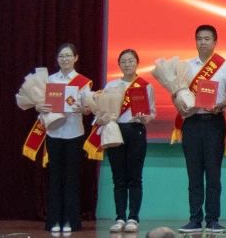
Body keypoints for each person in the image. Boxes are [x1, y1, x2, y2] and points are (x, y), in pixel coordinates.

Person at [176, 24, 226, 234]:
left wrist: (221, 105)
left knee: (213, 174)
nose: (203, 42)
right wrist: (182, 106)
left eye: (207, 39)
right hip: (192, 123)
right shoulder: (186, 66)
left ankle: (213, 220)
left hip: (214, 123)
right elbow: (177, 94)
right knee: (194, 174)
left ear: (215, 42)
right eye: (199, 39)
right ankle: (194, 219)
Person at [35, 43, 92, 234]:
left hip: (74, 133)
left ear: (76, 58)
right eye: (61, 56)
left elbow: (89, 108)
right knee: (55, 178)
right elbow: (41, 105)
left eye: (68, 56)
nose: (64, 59)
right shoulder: (50, 80)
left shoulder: (82, 82)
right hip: (54, 133)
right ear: (57, 59)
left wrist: (84, 109)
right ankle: (54, 220)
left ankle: (70, 220)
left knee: (71, 178)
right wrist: (39, 107)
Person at [105, 49, 156, 234]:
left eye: (131, 61)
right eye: (123, 61)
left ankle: (133, 217)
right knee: (118, 178)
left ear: (137, 63)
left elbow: (151, 114)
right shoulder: (111, 85)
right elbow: (104, 109)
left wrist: (144, 118)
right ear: (119, 65)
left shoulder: (145, 86)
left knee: (135, 177)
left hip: (136, 131)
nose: (127, 64)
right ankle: (120, 217)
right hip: (115, 131)